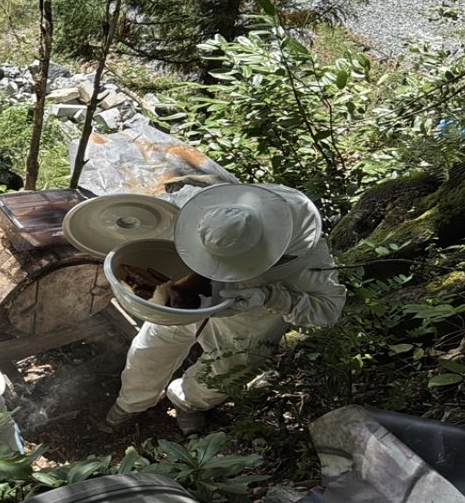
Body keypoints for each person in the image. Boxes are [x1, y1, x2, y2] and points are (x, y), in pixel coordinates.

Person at [101, 183, 346, 435]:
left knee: (220, 379)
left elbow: (328, 310)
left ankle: (185, 402)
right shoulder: (213, 205)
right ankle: (130, 403)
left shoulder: (306, 257)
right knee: (149, 349)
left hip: (249, 323)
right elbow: (161, 210)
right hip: (183, 301)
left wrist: (271, 296)